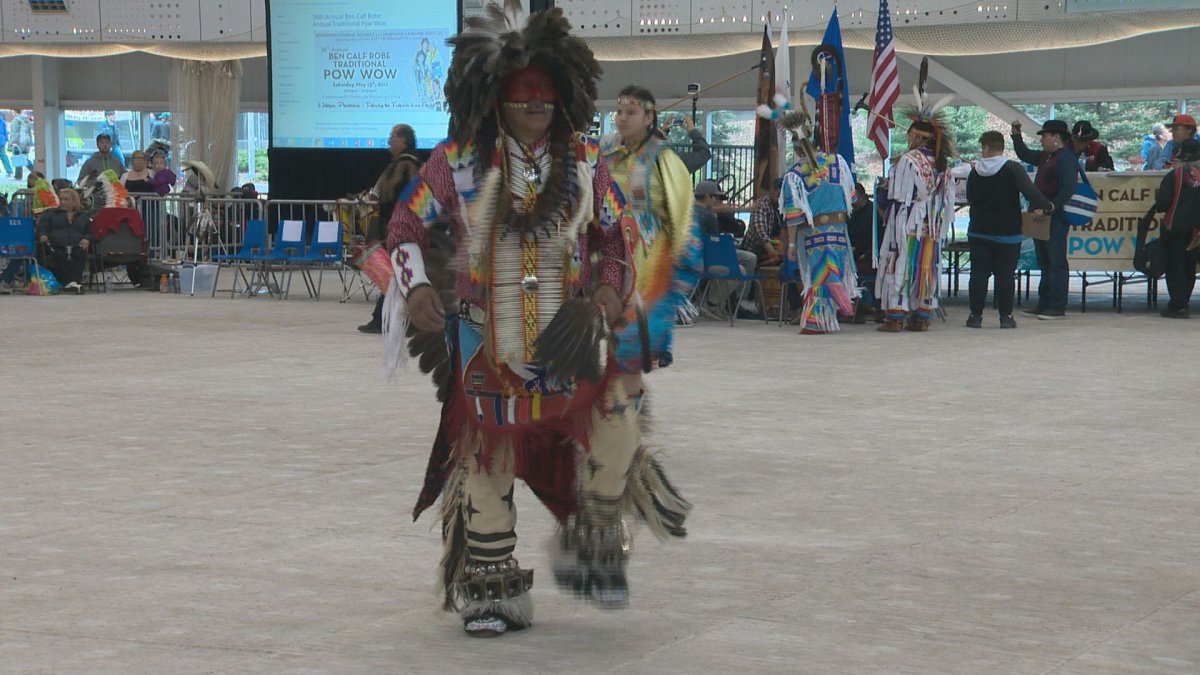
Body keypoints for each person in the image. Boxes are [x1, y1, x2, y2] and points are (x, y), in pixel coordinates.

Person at [387, 2, 690, 638]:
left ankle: (596, 539)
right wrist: (413, 287)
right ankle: (492, 590)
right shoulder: (458, 161)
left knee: (617, 426)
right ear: (496, 99)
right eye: (525, 104)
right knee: (486, 457)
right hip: (485, 341)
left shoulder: (585, 163)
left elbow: (615, 238)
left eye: (547, 105)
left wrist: (608, 295)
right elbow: (406, 224)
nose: (537, 115)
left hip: (571, 339)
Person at [774, 92, 859, 334]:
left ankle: (817, 321)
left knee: (819, 274)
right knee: (833, 271)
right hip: (839, 231)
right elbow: (851, 197)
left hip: (815, 233)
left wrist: (791, 244)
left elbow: (793, 215)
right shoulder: (837, 162)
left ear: (795, 147)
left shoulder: (795, 174)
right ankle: (832, 311)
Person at [876, 92, 956, 332]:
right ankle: (922, 315)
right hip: (930, 227)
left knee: (899, 261)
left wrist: (884, 188)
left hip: (906, 224)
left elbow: (897, 196)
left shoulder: (909, 160)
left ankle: (896, 316)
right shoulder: (943, 165)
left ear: (915, 136)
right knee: (925, 266)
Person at [964, 131, 1054, 329]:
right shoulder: (1013, 168)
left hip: (979, 230)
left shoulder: (975, 170)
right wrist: (1048, 206)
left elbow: (970, 196)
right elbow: (1030, 192)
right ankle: (1006, 317)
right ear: (1001, 146)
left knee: (978, 275)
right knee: (1005, 275)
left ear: (986, 147)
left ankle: (975, 316)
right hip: (1008, 232)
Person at [358, 123, 422, 334]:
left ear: (404, 140)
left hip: (400, 229)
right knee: (395, 275)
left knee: (395, 274)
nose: (389, 141)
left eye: (393, 136)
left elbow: (395, 198)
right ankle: (384, 318)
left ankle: (383, 319)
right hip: (399, 228)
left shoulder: (406, 166)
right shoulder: (404, 165)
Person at [1012, 119, 1078, 320]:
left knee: (1056, 260)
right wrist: (1016, 135)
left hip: (1054, 217)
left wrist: (1050, 208)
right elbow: (1024, 154)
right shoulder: (1048, 156)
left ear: (1056, 137)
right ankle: (1044, 302)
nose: (1041, 140)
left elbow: (1068, 189)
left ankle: (1057, 305)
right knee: (1044, 260)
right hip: (1041, 215)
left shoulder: (1066, 158)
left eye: (1045, 136)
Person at [1149, 138, 1200, 318]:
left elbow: (1163, 204)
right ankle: (1184, 301)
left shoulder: (1175, 174)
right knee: (1189, 267)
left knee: (1175, 266)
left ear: (1180, 153)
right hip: (1197, 230)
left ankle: (1178, 305)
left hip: (1176, 226)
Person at [691, 179, 756, 318]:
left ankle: (735, 299)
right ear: (708, 197)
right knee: (740, 269)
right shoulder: (708, 216)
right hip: (703, 259)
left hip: (691, 256)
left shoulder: (687, 212)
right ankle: (712, 303)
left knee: (749, 258)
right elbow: (714, 245)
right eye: (717, 197)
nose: (718, 201)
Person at [35, 188, 91, 294]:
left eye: (66, 199)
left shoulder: (82, 216)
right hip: (55, 245)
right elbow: (42, 229)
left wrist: (86, 239)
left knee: (81, 253)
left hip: (76, 245)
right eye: (61, 199)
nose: (63, 202)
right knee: (59, 254)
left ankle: (71, 282)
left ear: (74, 201)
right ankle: (73, 282)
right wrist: (43, 235)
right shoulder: (51, 213)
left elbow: (89, 232)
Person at [846, 182, 879, 322]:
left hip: (868, 255)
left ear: (863, 196)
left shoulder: (872, 211)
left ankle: (856, 308)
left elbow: (869, 236)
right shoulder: (850, 212)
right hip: (851, 250)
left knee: (850, 271)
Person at [741, 177, 784, 267]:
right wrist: (774, 252)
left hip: (772, 245)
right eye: (778, 197)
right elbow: (761, 235)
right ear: (773, 190)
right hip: (754, 249)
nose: (780, 200)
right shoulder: (761, 205)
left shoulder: (783, 206)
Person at [9, 110, 33, 181]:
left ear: (14, 111)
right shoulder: (26, 119)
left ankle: (18, 176)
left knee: (18, 157)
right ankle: (34, 170)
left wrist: (13, 142)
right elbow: (29, 132)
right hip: (26, 141)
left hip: (18, 142)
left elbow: (15, 133)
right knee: (23, 157)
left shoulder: (16, 120)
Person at [0, 112, 12, 178]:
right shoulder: (3, 122)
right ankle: (9, 170)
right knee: (3, 156)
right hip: (2, 141)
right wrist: (6, 140)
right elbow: (5, 132)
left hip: (1, 140)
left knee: (3, 155)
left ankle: (9, 171)